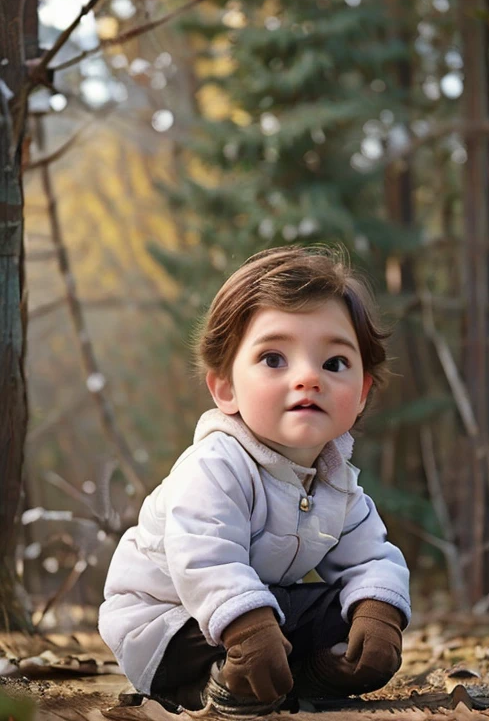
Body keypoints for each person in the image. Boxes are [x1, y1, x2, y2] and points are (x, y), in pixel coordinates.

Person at [98, 245, 410, 717]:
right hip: (166, 617)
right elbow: (204, 557)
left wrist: (378, 611)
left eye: (334, 363)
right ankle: (223, 683)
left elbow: (371, 556)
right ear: (225, 387)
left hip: (261, 610)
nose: (308, 377)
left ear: (362, 391)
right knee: (212, 639)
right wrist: (247, 629)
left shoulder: (337, 483)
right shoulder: (215, 465)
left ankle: (303, 675)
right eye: (274, 359)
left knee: (351, 618)